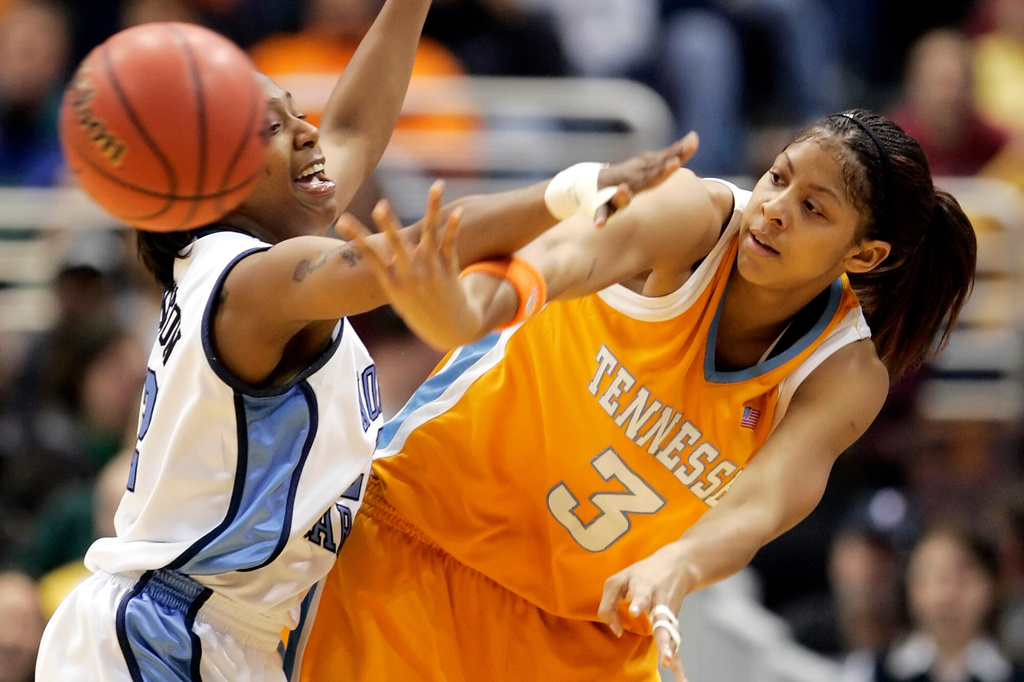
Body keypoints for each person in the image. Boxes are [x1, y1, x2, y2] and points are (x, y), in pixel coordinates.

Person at [33, 2, 695, 679]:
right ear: (213, 181)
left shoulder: (261, 250)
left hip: (235, 633)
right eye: (274, 126)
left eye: (298, 112)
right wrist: (570, 191)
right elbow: (410, 249)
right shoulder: (250, 284)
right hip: (162, 626)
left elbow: (352, 128)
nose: (307, 133)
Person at [289, 108, 978, 682]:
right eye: (777, 178)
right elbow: (568, 256)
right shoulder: (695, 216)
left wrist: (677, 565)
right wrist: (475, 308)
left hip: (590, 632)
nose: (772, 211)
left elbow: (762, 502)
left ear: (865, 255)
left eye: (812, 209)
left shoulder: (844, 375)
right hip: (420, 544)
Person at [863, 523, 1024, 682]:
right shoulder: (868, 672)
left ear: (992, 585)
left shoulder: (1011, 674)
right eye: (928, 578)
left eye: (961, 579)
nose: (944, 596)